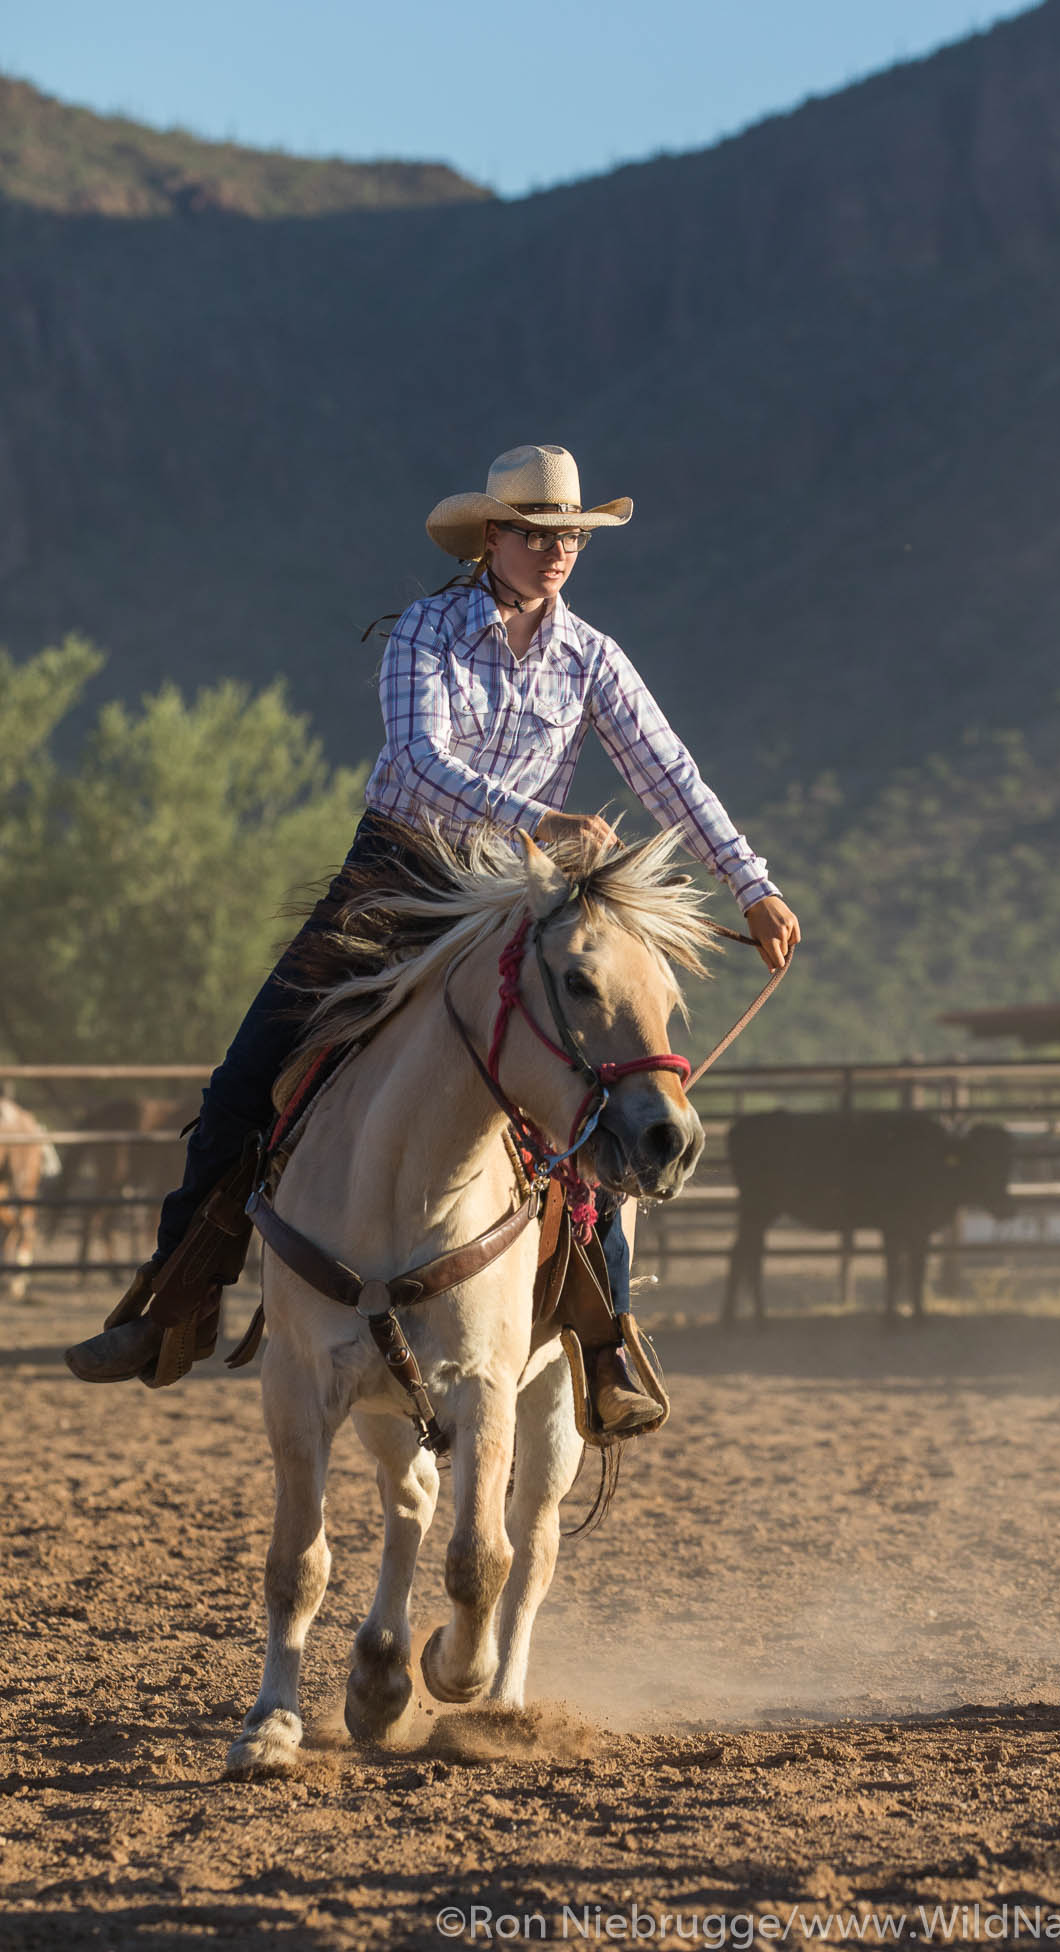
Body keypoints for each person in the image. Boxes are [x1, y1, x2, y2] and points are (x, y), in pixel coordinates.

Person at [66, 443, 801, 1434]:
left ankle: (604, 1334)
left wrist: (749, 882)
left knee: (589, 1085)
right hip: (394, 877)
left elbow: (671, 770)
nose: (553, 550)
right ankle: (177, 1298)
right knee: (247, 1077)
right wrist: (535, 816)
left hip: (508, 892)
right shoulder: (429, 630)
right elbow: (418, 761)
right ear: (490, 537)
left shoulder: (593, 658)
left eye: (568, 535)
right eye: (534, 532)